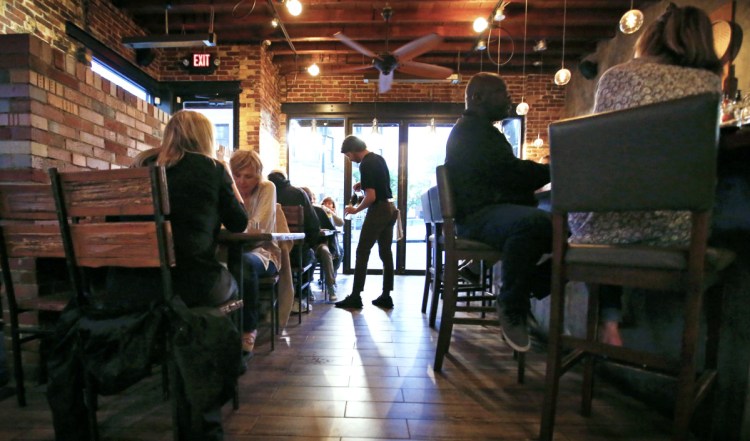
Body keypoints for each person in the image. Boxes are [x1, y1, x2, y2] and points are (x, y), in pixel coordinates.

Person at [47, 110, 249, 441]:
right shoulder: (210, 168)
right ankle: (229, 365)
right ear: (206, 140)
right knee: (234, 281)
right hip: (187, 287)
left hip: (124, 288)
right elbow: (239, 222)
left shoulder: (138, 171)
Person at [568, 3, 723, 346]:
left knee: (607, 212)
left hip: (600, 232)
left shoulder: (617, 76)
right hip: (681, 230)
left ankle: (609, 319)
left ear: (650, 37)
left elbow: (597, 152)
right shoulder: (710, 84)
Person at [444, 72, 551, 352]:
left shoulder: (474, 130)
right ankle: (512, 302)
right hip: (477, 218)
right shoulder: (475, 131)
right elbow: (510, 172)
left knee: (557, 228)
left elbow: (503, 173)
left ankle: (523, 284)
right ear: (478, 97)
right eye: (502, 93)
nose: (510, 100)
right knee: (535, 223)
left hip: (477, 216)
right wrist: (554, 169)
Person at [335, 135, 399, 310]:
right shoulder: (378, 158)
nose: (350, 159)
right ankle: (386, 295)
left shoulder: (365, 164)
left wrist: (355, 209)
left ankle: (355, 296)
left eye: (348, 155)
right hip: (391, 208)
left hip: (378, 210)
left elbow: (371, 197)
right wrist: (362, 183)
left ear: (353, 150)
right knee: (386, 253)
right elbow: (380, 184)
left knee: (362, 251)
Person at [229, 149, 283, 355]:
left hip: (264, 253)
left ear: (258, 176)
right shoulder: (228, 189)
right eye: (237, 175)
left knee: (243, 263)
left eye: (248, 176)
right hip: (231, 250)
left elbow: (259, 226)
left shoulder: (267, 188)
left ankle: (248, 327)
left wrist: (230, 228)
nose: (242, 181)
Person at [267, 171, 320, 309]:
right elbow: (313, 226)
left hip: (267, 252)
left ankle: (269, 300)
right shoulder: (298, 193)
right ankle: (299, 297)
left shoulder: (263, 192)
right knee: (312, 256)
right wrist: (307, 245)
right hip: (296, 254)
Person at [300, 188, 342, 301]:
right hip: (304, 245)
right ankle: (306, 288)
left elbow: (332, 229)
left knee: (325, 251)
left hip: (316, 244)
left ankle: (330, 286)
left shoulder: (319, 210)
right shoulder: (298, 211)